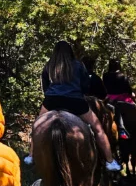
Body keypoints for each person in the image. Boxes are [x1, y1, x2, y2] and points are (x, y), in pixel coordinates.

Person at [26, 41, 121, 173]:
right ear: (70, 51)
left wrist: (53, 93)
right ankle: (110, 161)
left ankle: (31, 156)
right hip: (74, 101)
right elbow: (85, 85)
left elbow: (45, 85)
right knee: (98, 129)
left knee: (37, 126)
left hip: (52, 101)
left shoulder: (50, 65)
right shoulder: (78, 65)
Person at [102, 58, 136, 145]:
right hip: (123, 98)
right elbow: (128, 89)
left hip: (109, 99)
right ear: (119, 65)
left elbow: (104, 88)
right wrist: (132, 94)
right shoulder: (123, 75)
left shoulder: (105, 75)